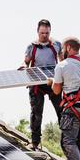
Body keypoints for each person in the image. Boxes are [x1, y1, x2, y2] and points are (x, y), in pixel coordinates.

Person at [18, 19, 63, 150]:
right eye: (42, 33)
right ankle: (35, 143)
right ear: (38, 31)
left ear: (50, 32)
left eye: (47, 33)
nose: (44, 35)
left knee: (62, 111)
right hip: (37, 84)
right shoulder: (31, 47)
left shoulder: (57, 45)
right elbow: (25, 62)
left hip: (53, 82)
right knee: (36, 114)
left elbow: (63, 61)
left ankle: (67, 141)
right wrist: (23, 65)